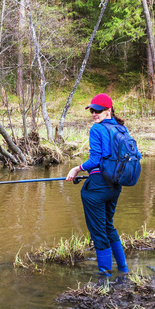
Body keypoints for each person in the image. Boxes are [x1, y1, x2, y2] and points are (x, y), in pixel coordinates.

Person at [65, 93, 129, 277]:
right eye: (92, 110)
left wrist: (76, 169)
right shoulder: (122, 129)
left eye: (98, 110)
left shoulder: (97, 129)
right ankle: (123, 269)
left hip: (97, 188)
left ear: (109, 110)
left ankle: (105, 275)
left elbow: (95, 159)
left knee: (99, 231)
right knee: (109, 226)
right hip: (115, 186)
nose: (94, 114)